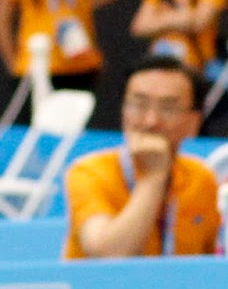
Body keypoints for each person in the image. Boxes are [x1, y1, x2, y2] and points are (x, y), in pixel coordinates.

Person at [62, 56, 218, 259]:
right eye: (139, 104)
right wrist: (153, 177)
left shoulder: (202, 179)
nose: (151, 121)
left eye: (168, 107)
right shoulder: (89, 173)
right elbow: (107, 254)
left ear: (193, 122)